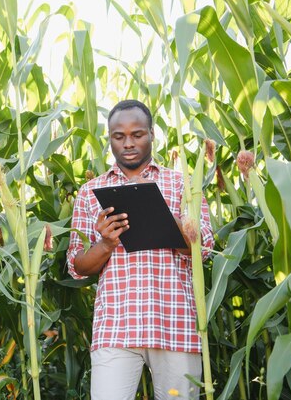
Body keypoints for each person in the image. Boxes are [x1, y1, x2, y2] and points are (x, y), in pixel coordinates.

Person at [66, 99, 214, 400]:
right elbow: (77, 266)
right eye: (119, 136)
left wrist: (162, 215)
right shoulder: (90, 193)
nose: (128, 143)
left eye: (138, 134)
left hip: (174, 324)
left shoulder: (183, 185)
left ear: (152, 135)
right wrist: (107, 243)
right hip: (116, 328)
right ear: (110, 139)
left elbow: (204, 248)